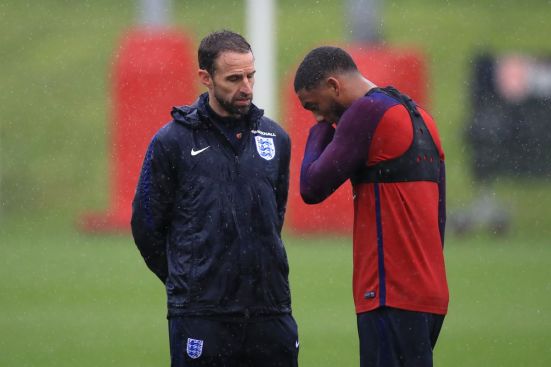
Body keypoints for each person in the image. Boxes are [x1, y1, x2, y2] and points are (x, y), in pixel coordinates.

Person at [131, 30, 298, 367]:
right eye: (234, 78)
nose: (247, 87)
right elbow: (146, 224)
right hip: (202, 314)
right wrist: (189, 278)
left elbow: (273, 214)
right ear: (205, 78)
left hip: (270, 309)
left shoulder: (276, 138)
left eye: (251, 76)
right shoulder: (172, 142)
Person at [294, 46, 448, 367]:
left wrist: (320, 129)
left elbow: (311, 186)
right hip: (430, 294)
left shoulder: (367, 113)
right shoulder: (421, 116)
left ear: (334, 86)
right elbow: (439, 217)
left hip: (388, 293)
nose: (317, 114)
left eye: (314, 105)